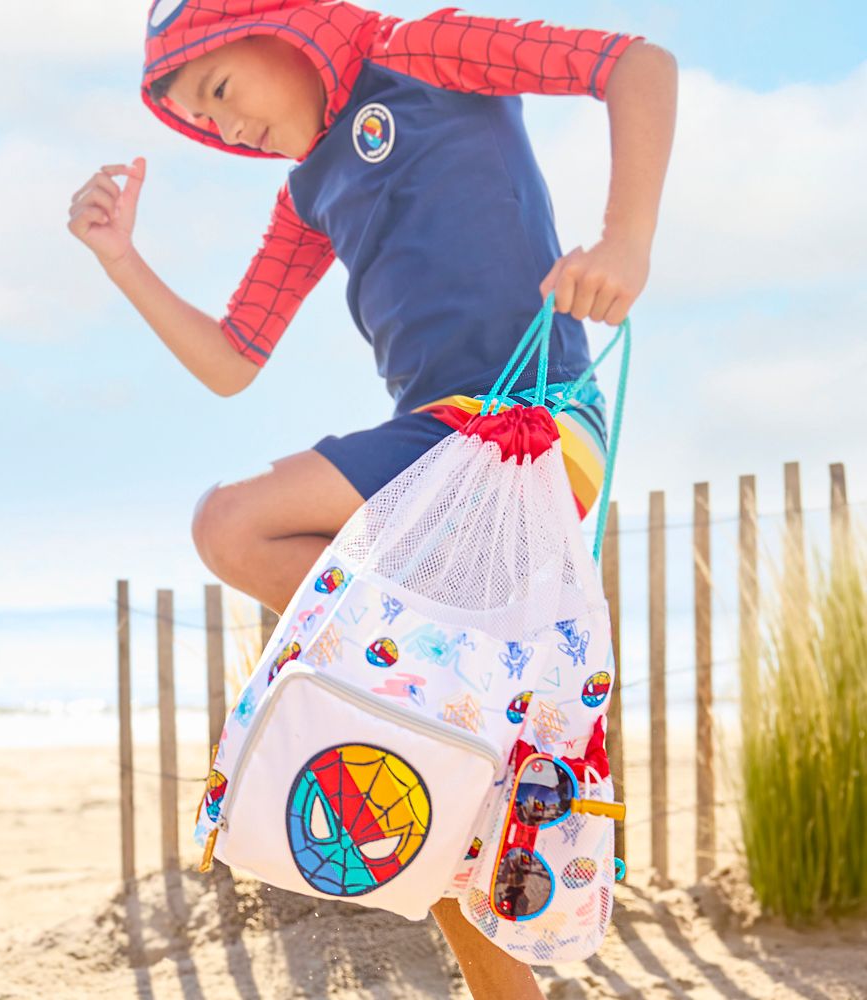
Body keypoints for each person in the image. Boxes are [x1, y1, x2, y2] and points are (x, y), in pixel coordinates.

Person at [67, 2, 676, 995]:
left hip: (527, 421)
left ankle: (424, 663)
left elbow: (635, 66)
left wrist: (625, 241)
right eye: (203, 124)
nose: (226, 129)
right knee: (431, 758)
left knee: (234, 521)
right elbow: (231, 360)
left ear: (283, 23)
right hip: (441, 456)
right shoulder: (308, 193)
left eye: (220, 90)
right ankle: (453, 729)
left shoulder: (424, 51)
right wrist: (120, 257)